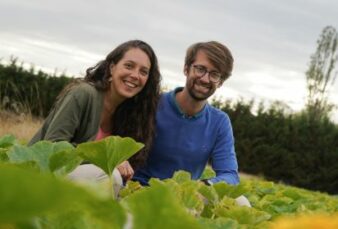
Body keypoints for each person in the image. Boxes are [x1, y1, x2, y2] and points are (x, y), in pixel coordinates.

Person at [29, 40, 161, 184]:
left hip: (77, 185)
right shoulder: (83, 93)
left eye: (143, 72)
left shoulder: (132, 114)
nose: (135, 75)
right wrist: (107, 160)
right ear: (112, 67)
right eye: (129, 66)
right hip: (41, 176)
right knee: (112, 177)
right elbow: (53, 145)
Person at [133, 41, 239, 186]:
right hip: (139, 191)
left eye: (215, 74)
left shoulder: (219, 122)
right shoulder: (151, 104)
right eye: (200, 69)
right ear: (186, 69)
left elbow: (230, 175)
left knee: (241, 201)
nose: (205, 79)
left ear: (220, 82)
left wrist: (204, 186)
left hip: (184, 200)